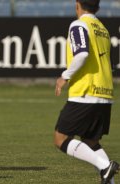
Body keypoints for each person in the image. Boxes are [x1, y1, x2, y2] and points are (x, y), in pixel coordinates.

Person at [54, 0, 119, 183]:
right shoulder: (102, 28)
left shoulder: (79, 24)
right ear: (97, 7)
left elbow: (82, 53)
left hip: (85, 92)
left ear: (77, 5)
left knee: (61, 138)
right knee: (90, 141)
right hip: (105, 93)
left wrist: (65, 76)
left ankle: (106, 166)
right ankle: (110, 179)